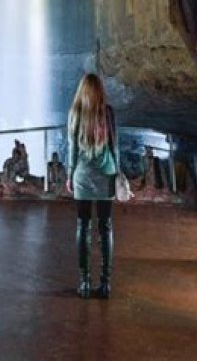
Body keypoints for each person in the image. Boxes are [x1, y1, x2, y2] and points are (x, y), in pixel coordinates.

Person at [66, 73, 118, 299]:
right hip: (106, 174)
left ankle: (85, 282)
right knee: (105, 227)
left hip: (83, 176)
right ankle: (105, 284)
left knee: (83, 226)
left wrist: (70, 175)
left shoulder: (75, 112)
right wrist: (118, 173)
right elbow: (115, 146)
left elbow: (72, 149)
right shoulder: (108, 112)